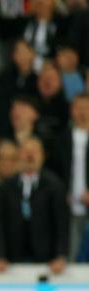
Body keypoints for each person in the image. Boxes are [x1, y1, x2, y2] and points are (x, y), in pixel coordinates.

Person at [0, 137, 68, 274]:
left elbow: (62, 224)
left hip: (47, 260)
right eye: (26, 151)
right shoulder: (7, 186)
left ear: (43, 156)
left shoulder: (55, 185)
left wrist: (60, 256)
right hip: (12, 260)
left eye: (34, 151)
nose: (30, 156)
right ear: (18, 156)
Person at [52, 93, 89, 261]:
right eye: (78, 107)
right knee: (71, 252)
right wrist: (62, 193)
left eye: (86, 108)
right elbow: (55, 171)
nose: (82, 112)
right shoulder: (60, 140)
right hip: (68, 205)